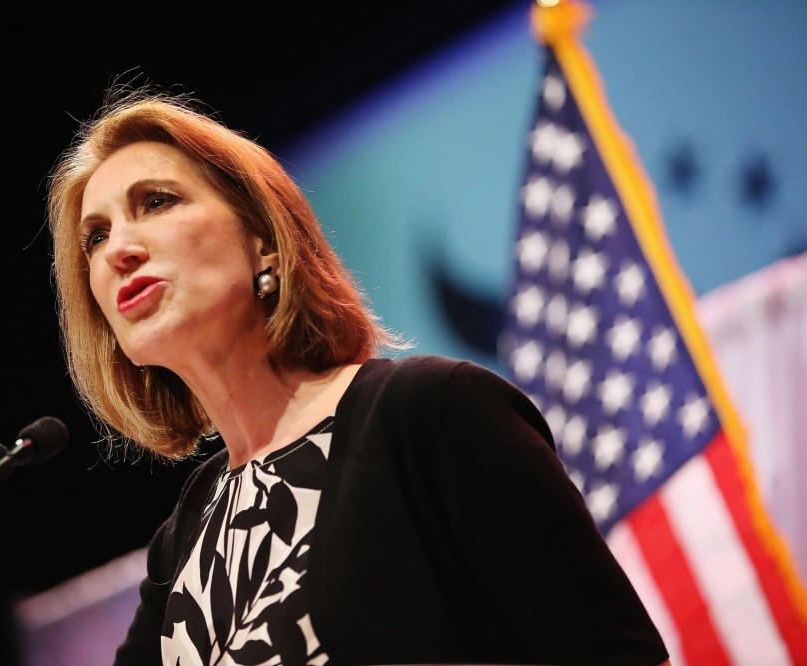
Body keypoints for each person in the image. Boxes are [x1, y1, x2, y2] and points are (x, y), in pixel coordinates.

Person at [46, 85, 672, 666]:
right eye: (94, 238)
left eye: (156, 202)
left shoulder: (431, 413)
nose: (118, 250)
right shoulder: (183, 541)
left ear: (263, 240)